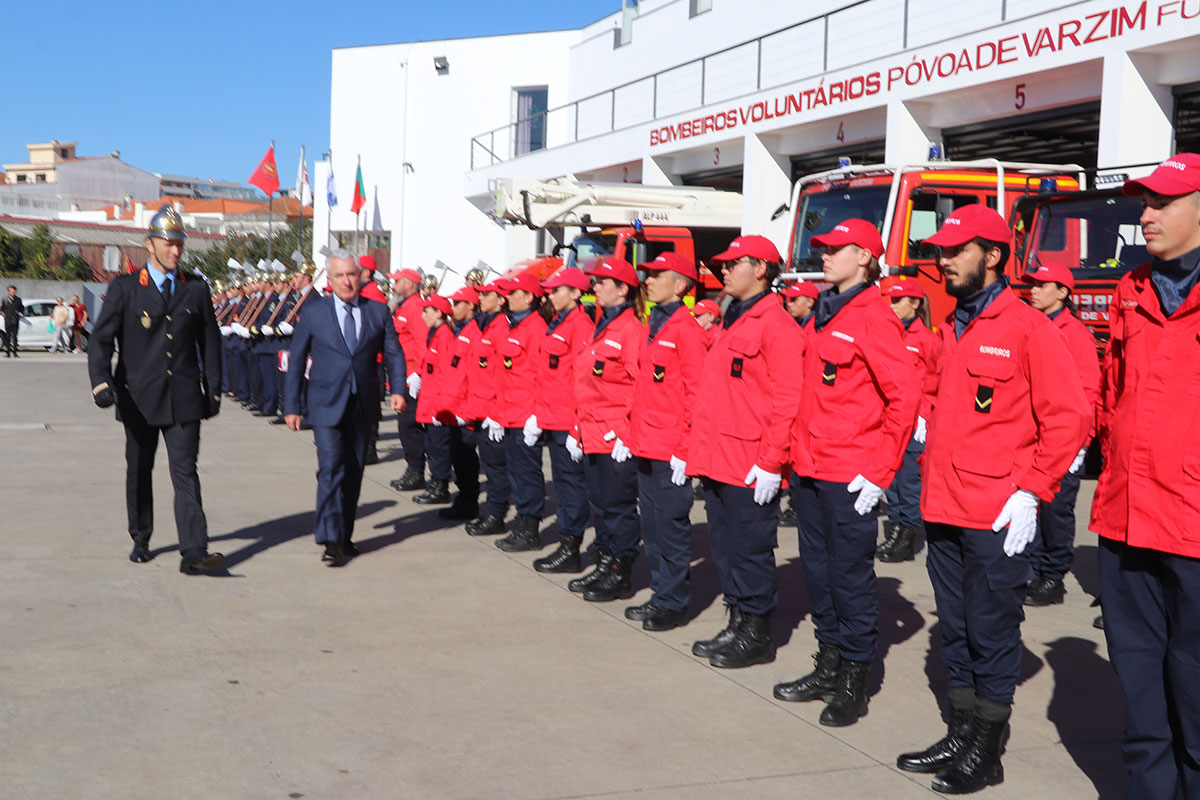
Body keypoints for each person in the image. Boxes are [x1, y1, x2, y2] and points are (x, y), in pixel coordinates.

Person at [894, 205, 1088, 793]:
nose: (942, 260)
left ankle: (987, 746)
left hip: (996, 511)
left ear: (995, 256)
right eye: (940, 251)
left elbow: (1070, 416)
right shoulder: (953, 325)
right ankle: (960, 730)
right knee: (954, 625)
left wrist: (1034, 489)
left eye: (955, 250)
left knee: (991, 626)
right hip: (944, 503)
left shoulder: (1026, 327)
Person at [777, 219, 919, 727]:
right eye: (824, 249)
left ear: (864, 256)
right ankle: (828, 662)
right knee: (817, 572)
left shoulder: (874, 317)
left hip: (849, 472)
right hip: (812, 468)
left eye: (836, 249)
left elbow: (904, 398)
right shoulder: (823, 311)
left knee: (849, 576)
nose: (825, 256)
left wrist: (881, 471)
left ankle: (854, 679)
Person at [1089, 153, 1200, 800]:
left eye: (1162, 203)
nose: (1146, 216)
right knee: (1139, 688)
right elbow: (1113, 393)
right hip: (1126, 518)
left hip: (1191, 530)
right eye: (1143, 203)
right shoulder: (1132, 290)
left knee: (1194, 690)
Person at [86, 205, 226, 574]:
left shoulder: (195, 289)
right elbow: (100, 341)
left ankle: (194, 550)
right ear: (150, 245)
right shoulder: (126, 289)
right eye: (168, 243)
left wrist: (213, 391)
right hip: (138, 398)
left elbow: (210, 342)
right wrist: (101, 382)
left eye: (179, 243)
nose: (176, 251)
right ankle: (141, 536)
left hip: (183, 398)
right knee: (139, 469)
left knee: (185, 472)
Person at [687, 235, 804, 669]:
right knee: (725, 547)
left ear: (760, 269)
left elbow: (787, 400)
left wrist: (772, 461)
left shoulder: (777, 326)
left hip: (750, 463)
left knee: (751, 550)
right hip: (719, 458)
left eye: (733, 263)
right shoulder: (734, 320)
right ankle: (737, 620)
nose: (724, 270)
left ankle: (756, 633)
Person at [282, 248, 407, 565]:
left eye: (352, 274)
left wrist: (399, 389)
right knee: (331, 468)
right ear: (330, 278)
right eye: (339, 275)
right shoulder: (314, 313)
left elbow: (393, 353)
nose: (347, 281)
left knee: (353, 471)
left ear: (361, 275)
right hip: (325, 404)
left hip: (362, 405)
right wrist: (292, 406)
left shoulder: (377, 312)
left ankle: (344, 536)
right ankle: (329, 537)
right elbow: (296, 361)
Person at [622, 252, 706, 630]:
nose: (649, 280)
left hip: (671, 447)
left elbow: (696, 394)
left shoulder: (686, 330)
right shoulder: (653, 324)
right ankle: (660, 593)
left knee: (671, 528)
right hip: (645, 442)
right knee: (652, 527)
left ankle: (674, 602)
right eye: (649, 275)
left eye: (658, 275)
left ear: (681, 285)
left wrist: (685, 450)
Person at [1021, 261, 1100, 606]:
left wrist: (1082, 443)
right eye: (1033, 284)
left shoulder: (1075, 334)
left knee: (1056, 511)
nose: (1033, 290)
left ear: (1064, 293)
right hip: (1033, 437)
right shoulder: (1031, 326)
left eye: (1042, 285)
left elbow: (1088, 392)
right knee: (1034, 506)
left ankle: (1052, 576)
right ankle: (1035, 569)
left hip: (1064, 442)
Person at [567, 256, 645, 601]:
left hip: (615, 436)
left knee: (618, 507)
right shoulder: (602, 326)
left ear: (623, 289)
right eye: (593, 281)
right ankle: (606, 561)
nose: (594, 287)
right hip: (592, 431)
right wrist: (576, 429)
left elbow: (642, 385)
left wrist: (627, 433)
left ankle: (621, 572)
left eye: (601, 282)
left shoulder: (631, 331)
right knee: (600, 504)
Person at [524, 268, 594, 574]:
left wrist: (577, 427)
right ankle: (568, 546)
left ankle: (571, 548)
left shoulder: (580, 326)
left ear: (575, 293)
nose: (549, 295)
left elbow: (582, 381)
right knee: (566, 486)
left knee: (571, 487)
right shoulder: (558, 323)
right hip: (552, 418)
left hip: (568, 421)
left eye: (556, 290)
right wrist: (538, 414)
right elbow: (547, 377)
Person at [876, 278, 940, 563]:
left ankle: (907, 534)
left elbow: (934, 383)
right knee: (890, 480)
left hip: (914, 423)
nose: (890, 306)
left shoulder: (927, 340)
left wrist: (925, 416)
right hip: (887, 420)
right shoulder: (887, 335)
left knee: (908, 482)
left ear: (914, 304)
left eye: (896, 300)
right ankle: (896, 527)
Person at [490, 272, 550, 552]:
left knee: (526, 473)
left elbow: (541, 376)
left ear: (528, 297)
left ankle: (529, 530)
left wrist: (536, 415)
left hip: (526, 415)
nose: (507, 298)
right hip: (511, 413)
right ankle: (522, 525)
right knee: (516, 472)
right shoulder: (514, 326)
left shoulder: (535, 328)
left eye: (513, 293)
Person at [412, 293, 478, 507]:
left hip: (440, 403)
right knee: (434, 445)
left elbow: (447, 374)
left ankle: (440, 485)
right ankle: (437, 483)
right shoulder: (437, 334)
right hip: (433, 400)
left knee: (440, 447)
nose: (423, 315)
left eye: (426, 311)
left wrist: (444, 405)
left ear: (438, 313)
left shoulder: (445, 336)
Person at [462, 280, 513, 536]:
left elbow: (503, 376)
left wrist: (497, 412)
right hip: (481, 408)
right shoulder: (486, 325)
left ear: (501, 300)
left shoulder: (501, 328)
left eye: (486, 295)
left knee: (496, 467)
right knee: (490, 464)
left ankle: (496, 514)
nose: (480, 299)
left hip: (494, 411)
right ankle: (492, 511)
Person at [429, 286, 483, 521]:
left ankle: (469, 502)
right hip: (454, 405)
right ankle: (464, 499)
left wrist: (468, 410)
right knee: (458, 455)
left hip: (465, 408)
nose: (453, 308)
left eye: (459, 303)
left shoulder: (475, 332)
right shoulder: (459, 331)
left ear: (471, 305)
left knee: (465, 457)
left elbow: (474, 375)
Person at [389, 268, 428, 491]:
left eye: (397, 282)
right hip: (401, 374)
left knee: (409, 426)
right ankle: (413, 469)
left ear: (410, 284)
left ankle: (416, 472)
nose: (393, 285)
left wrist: (418, 373)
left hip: (411, 376)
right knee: (405, 426)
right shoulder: (403, 306)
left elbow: (423, 342)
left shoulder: (415, 307)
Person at [2, 285, 23, 357]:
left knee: (15, 337)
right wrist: (4, 314)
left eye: (14, 291)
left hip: (15, 321)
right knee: (7, 337)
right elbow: (2, 309)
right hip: (7, 321)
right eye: (11, 291)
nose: (13, 292)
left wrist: (19, 315)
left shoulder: (18, 300)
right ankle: (8, 352)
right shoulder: (5, 299)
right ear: (9, 291)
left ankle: (15, 352)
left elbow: (21, 309)